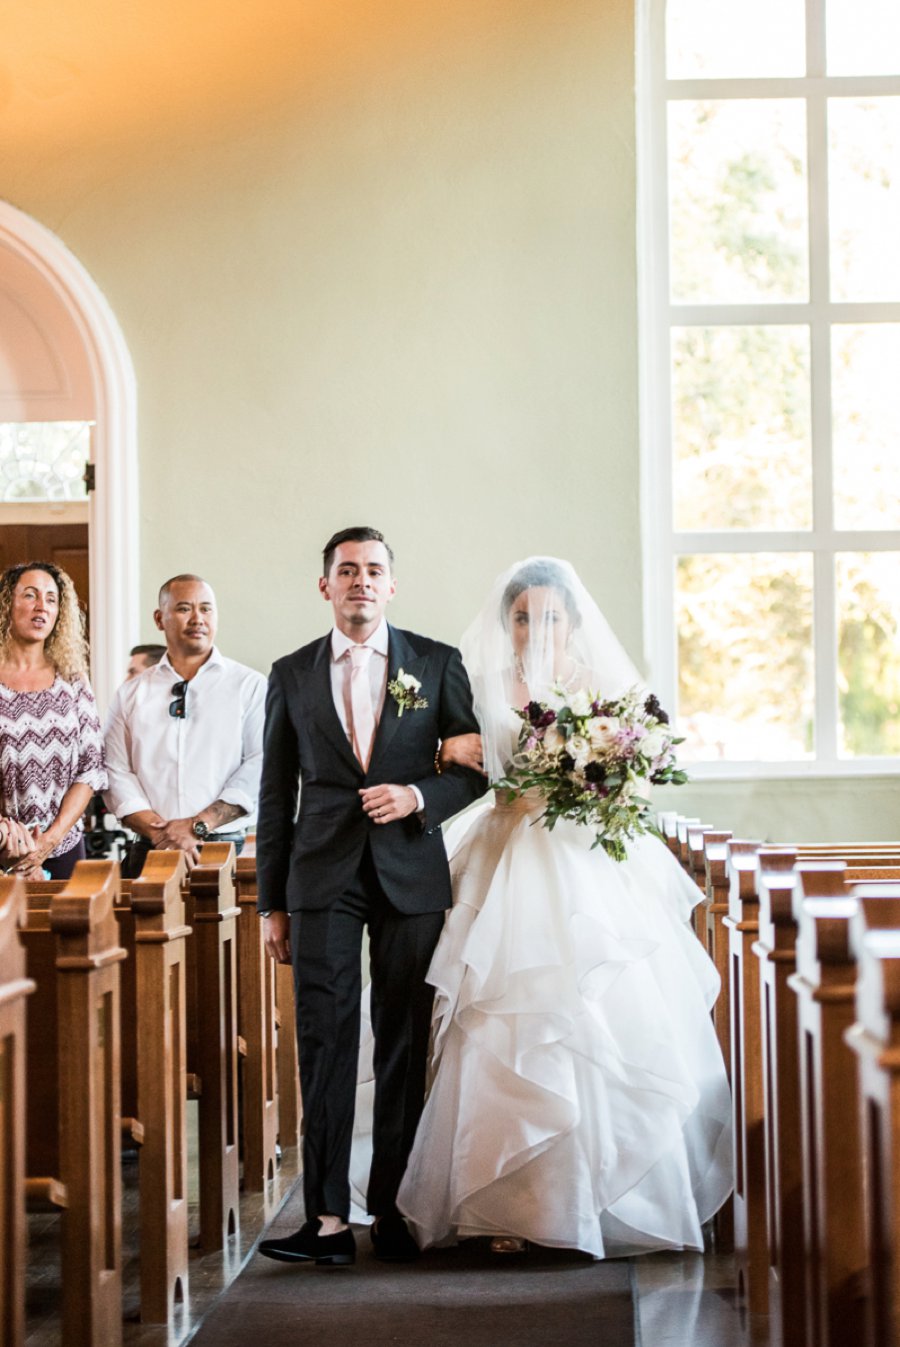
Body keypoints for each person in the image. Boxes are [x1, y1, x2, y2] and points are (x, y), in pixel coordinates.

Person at [395, 557, 733, 1259]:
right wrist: (455, 750)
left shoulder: (597, 687)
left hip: (579, 859)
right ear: (507, 622)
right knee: (498, 1019)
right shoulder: (481, 683)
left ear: (572, 622)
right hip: (505, 849)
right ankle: (502, 1207)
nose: (537, 627)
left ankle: (598, 1201)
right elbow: (460, 761)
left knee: (591, 1019)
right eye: (523, 615)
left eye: (550, 615)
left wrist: (594, 775)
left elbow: (628, 773)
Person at [255, 526, 486, 1269]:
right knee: (324, 1041)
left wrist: (418, 792)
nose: (360, 580)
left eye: (373, 570)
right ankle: (325, 1217)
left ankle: (394, 1208)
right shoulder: (290, 673)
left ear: (393, 585)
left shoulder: (436, 662)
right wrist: (270, 903)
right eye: (346, 570)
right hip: (320, 876)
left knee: (403, 1041)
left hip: (409, 874)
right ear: (324, 586)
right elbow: (272, 796)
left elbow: (475, 768)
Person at [103, 574, 266, 875]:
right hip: (149, 850)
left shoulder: (249, 686)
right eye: (183, 608)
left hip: (226, 849)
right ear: (159, 618)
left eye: (206, 609)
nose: (197, 618)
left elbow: (262, 763)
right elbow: (115, 769)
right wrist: (163, 835)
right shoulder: (132, 693)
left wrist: (197, 825)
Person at [0, 561, 107, 880]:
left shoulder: (73, 681)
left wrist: (50, 839)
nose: (41, 607)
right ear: (7, 605)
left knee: (68, 928)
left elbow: (91, 768)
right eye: (29, 595)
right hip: (2, 843)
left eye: (51, 598)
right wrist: (7, 835)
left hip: (63, 846)